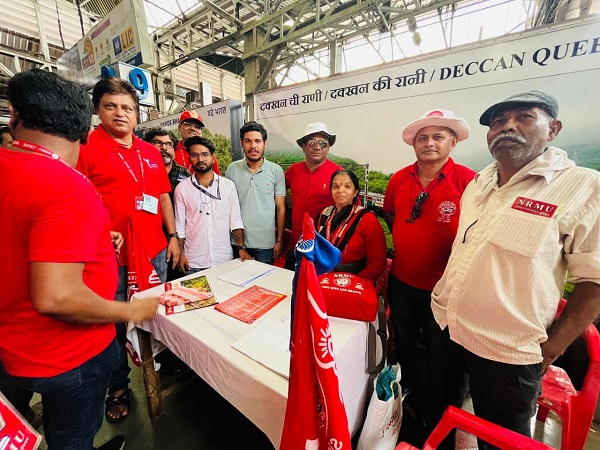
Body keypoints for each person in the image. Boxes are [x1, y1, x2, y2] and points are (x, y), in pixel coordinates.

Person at [430, 90, 600, 448]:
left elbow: (594, 281)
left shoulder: (582, 187)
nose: (507, 127)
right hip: (448, 325)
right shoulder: (479, 183)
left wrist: (553, 347)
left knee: (501, 439)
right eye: (497, 122)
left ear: (552, 129)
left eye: (524, 117)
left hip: (507, 349)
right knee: (443, 411)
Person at [0, 68, 158, 450]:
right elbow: (56, 297)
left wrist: (97, 237)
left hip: (14, 346)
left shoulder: (11, 169)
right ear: (87, 128)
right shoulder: (65, 185)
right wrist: (132, 313)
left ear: (14, 116)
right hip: (66, 354)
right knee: (72, 438)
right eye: (111, 107)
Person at [78, 77, 180, 424]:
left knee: (157, 313)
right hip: (111, 258)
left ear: (137, 115)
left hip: (154, 250)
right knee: (116, 325)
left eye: (127, 108)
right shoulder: (85, 147)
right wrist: (96, 232)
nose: (120, 114)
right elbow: (75, 202)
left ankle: (159, 365)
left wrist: (174, 236)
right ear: (98, 110)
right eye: (111, 106)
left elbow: (163, 197)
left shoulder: (150, 152)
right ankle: (118, 387)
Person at [383, 109, 475, 394]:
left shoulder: (469, 181)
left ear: (453, 142)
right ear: (414, 144)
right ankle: (408, 389)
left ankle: (439, 404)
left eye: (438, 137)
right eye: (422, 138)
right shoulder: (398, 179)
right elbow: (390, 215)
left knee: (443, 351)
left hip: (446, 289)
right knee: (405, 342)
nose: (429, 143)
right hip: (402, 283)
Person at [175, 136, 250, 274]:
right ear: (189, 158)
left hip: (223, 260)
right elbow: (179, 225)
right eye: (194, 155)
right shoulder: (182, 189)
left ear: (213, 157)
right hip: (193, 261)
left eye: (205, 154)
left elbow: (235, 221)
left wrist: (241, 248)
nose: (200, 159)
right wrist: (181, 254)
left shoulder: (228, 186)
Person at [225, 121, 286, 264]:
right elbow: (227, 207)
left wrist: (279, 240)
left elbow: (280, 207)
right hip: (237, 242)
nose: (253, 146)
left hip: (265, 243)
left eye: (258, 141)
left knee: (263, 283)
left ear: (265, 143)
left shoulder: (275, 171)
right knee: (236, 283)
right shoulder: (232, 169)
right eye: (248, 141)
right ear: (242, 143)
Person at [285, 122, 343, 269]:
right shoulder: (294, 171)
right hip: (295, 246)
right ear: (304, 146)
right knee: (290, 288)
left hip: (324, 250)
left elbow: (353, 211)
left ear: (328, 147)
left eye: (323, 143)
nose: (318, 147)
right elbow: (273, 191)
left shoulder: (339, 174)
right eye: (312, 142)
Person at [316, 170, 387, 281]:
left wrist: (357, 282)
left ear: (355, 192)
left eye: (347, 186)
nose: (341, 190)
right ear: (331, 191)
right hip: (321, 278)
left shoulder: (367, 219)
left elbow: (378, 262)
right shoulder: (324, 214)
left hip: (352, 281)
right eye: (336, 187)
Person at [143, 126, 190, 206]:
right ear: (148, 146)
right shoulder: (141, 171)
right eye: (158, 143)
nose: (164, 148)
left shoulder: (184, 173)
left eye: (169, 144)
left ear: (174, 149)